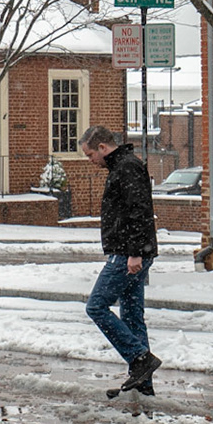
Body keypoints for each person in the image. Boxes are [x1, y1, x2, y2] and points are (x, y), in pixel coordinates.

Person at [78, 124, 161, 396]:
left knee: (96, 306)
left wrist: (135, 252)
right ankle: (143, 383)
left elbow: (139, 210)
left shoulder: (126, 168)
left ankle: (140, 359)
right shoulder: (123, 166)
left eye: (90, 155)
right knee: (132, 316)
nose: (90, 161)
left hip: (127, 255)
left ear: (103, 147)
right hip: (131, 252)